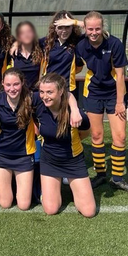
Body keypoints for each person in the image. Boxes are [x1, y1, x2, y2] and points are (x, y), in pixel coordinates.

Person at [75, 11, 128, 194]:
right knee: (96, 136)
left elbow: (120, 75)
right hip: (93, 93)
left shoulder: (114, 44)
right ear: (85, 29)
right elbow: (78, 65)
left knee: (120, 137)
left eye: (97, 28)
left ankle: (117, 178)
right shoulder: (81, 45)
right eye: (90, 29)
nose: (94, 32)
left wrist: (120, 102)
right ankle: (101, 174)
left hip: (114, 94)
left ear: (102, 28)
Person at [35, 73, 96, 217]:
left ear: (61, 92)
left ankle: (72, 185)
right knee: (51, 209)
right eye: (42, 92)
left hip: (74, 162)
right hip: (49, 161)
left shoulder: (76, 114)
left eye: (50, 92)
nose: (45, 96)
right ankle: (44, 187)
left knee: (89, 212)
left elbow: (86, 132)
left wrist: (74, 109)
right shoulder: (39, 106)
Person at [42, 11, 83, 92]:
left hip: (68, 89)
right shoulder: (46, 42)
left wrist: (75, 22)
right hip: (49, 88)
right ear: (55, 28)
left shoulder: (77, 41)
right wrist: (16, 44)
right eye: (60, 27)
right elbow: (26, 40)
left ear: (72, 27)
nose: (64, 31)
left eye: (67, 27)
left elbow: (93, 28)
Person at [9, 21, 44, 91]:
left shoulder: (41, 50)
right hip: (17, 94)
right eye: (22, 33)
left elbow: (53, 36)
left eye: (29, 32)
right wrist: (16, 43)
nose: (26, 35)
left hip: (35, 94)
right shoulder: (13, 53)